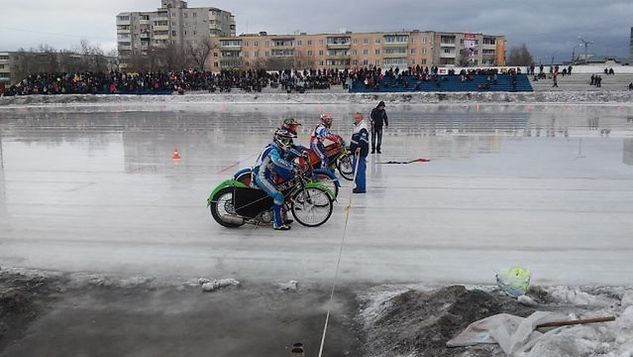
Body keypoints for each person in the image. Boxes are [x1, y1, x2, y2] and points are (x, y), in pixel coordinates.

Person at [253, 128, 299, 231]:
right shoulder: (273, 150)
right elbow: (277, 161)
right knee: (278, 196)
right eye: (286, 140)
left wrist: (292, 164)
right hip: (262, 177)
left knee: (282, 190)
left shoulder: (275, 148)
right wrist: (292, 167)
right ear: (280, 139)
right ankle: (278, 224)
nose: (288, 143)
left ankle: (281, 217)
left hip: (266, 176)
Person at [349, 112, 369, 194]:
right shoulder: (357, 126)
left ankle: (361, 188)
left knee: (359, 170)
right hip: (356, 152)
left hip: (360, 152)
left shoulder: (362, 127)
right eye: (355, 118)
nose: (356, 119)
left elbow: (363, 138)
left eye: (358, 118)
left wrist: (359, 147)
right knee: (355, 170)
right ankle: (359, 186)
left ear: (361, 118)